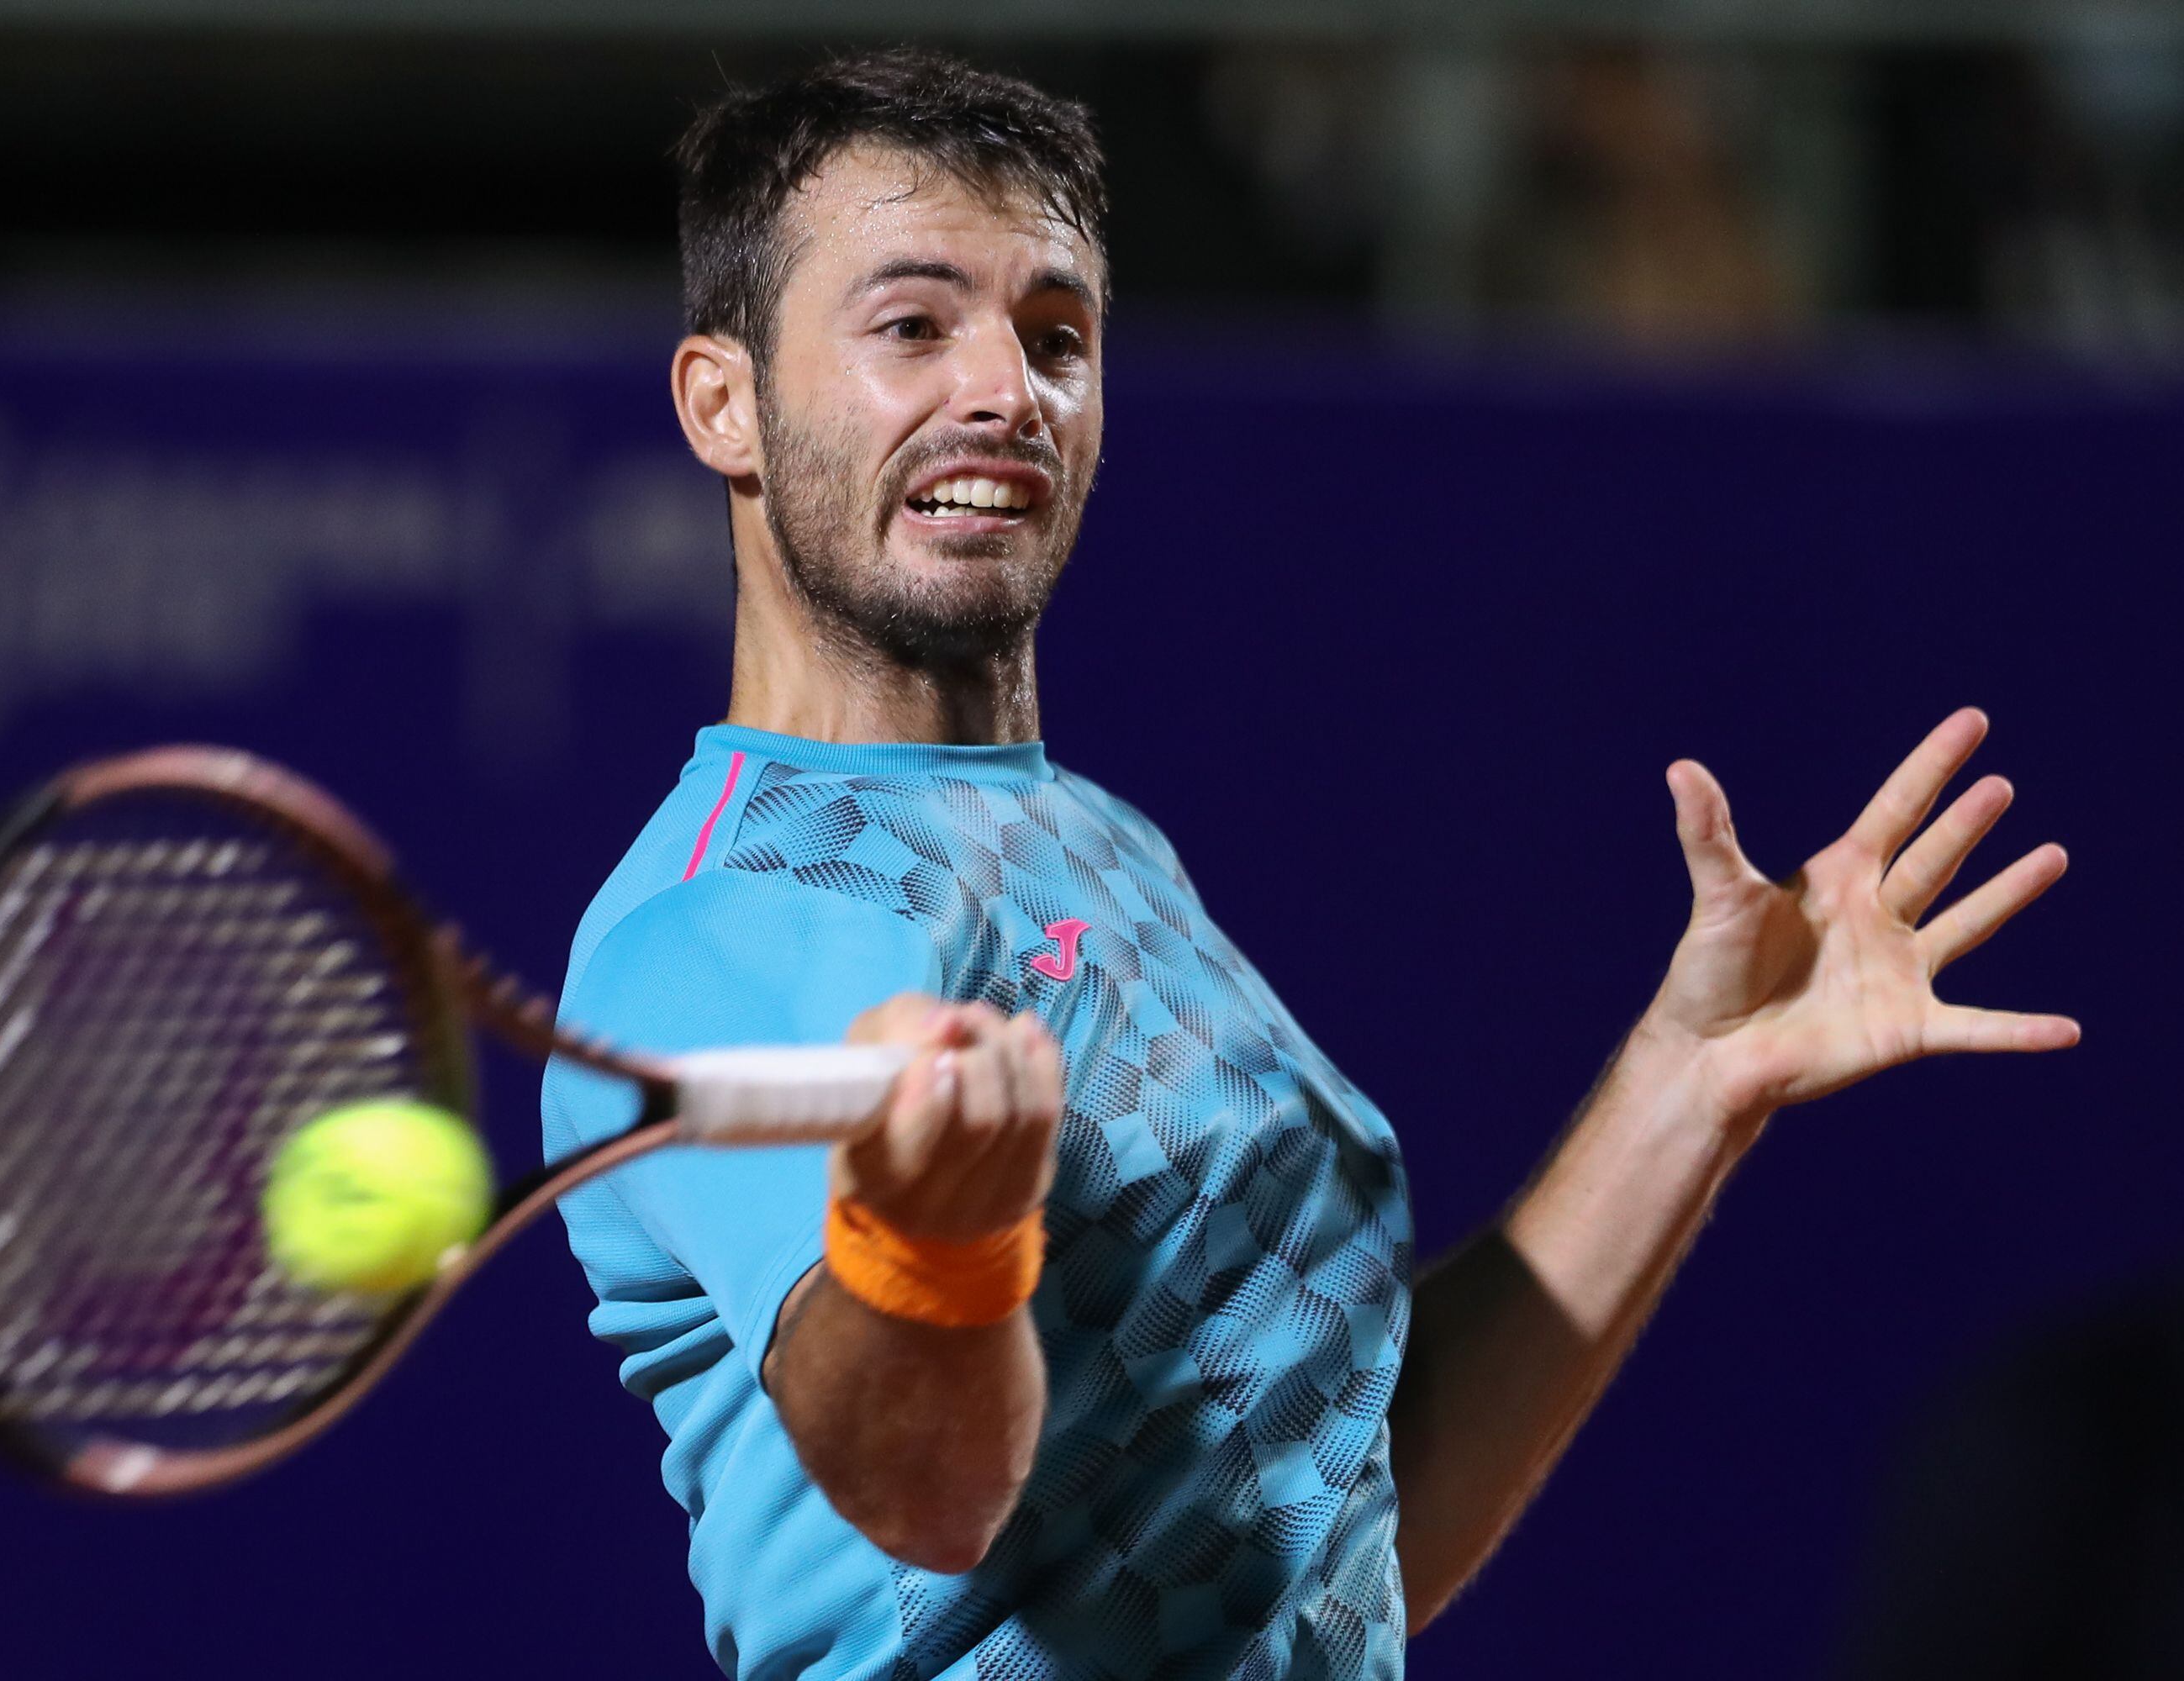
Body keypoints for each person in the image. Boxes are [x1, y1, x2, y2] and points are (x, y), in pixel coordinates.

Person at [538, 48, 2076, 1681]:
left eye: (1056, 334)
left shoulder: (1098, 843)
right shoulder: (728, 926)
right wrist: (935, 1244)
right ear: (725, 403)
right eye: (913, 326)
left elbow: (1341, 1522)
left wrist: (1690, 1080)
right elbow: (925, 1493)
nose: (1006, 392)